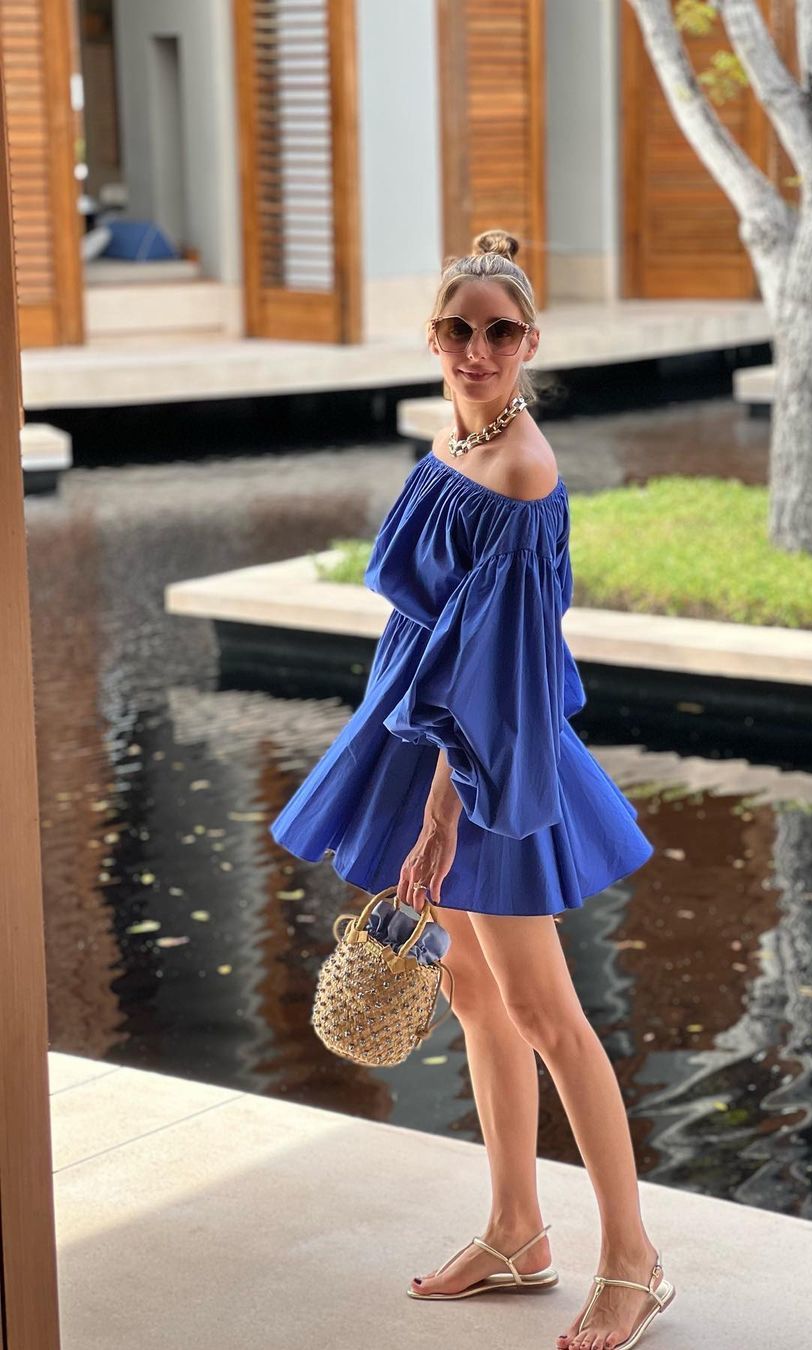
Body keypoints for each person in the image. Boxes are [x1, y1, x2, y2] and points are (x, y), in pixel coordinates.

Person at [269, 228, 675, 1350]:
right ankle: (515, 1231)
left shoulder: (522, 471)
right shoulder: (452, 440)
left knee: (547, 1013)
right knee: (471, 992)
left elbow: (497, 673)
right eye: (459, 329)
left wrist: (442, 814)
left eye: (500, 332)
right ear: (434, 337)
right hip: (423, 740)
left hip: (485, 766)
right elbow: (426, 624)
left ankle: (634, 1261)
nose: (478, 349)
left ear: (530, 342)